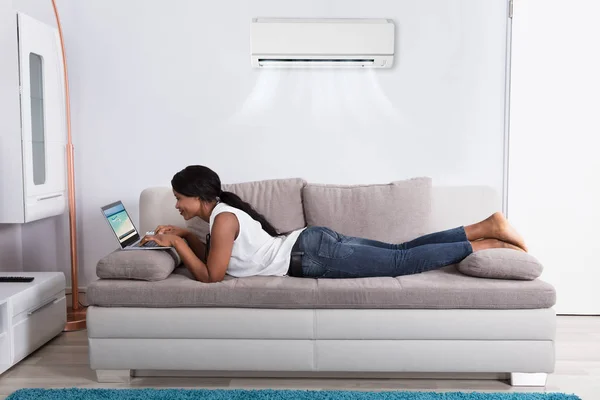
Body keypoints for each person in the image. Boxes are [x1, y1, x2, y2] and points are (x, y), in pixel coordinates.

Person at [140, 165, 527, 283]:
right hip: (313, 242)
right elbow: (223, 256)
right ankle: (483, 226)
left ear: (198, 195)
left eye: (179, 197)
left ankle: (484, 245)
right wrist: (187, 234)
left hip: (311, 254)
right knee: (399, 252)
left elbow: (212, 276)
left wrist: (178, 246)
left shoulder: (223, 218)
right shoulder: (222, 215)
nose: (176, 204)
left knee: (399, 262)